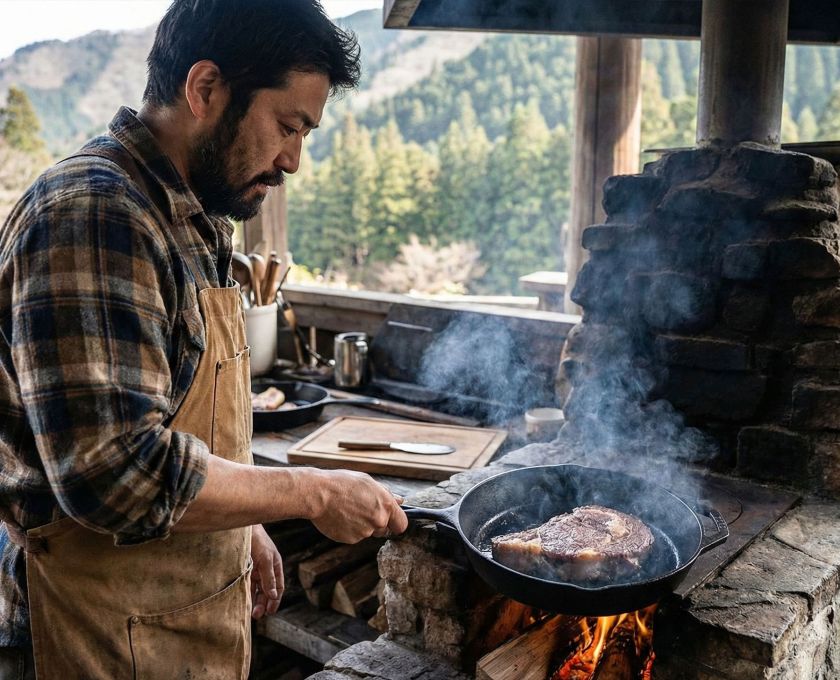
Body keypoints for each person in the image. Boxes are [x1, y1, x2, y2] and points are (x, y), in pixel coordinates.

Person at [0, 1, 408, 678]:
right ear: (206, 89)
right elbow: (115, 475)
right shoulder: (96, 213)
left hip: (167, 623)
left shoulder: (196, 216)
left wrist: (241, 520)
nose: (293, 160)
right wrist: (313, 492)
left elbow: (178, 418)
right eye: (287, 126)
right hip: (90, 631)